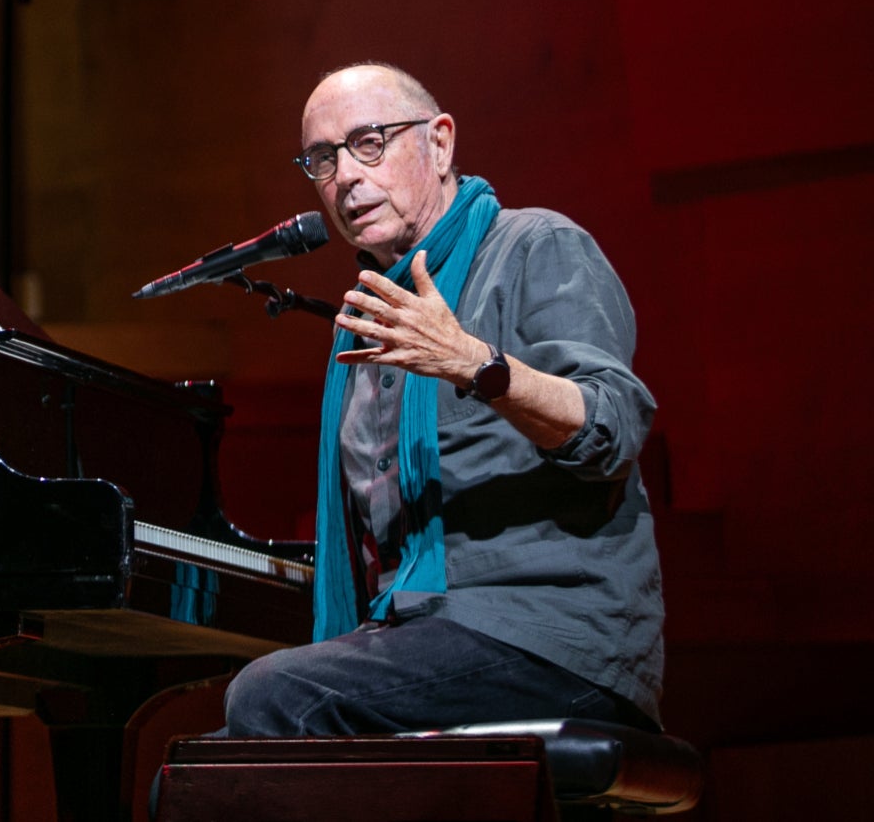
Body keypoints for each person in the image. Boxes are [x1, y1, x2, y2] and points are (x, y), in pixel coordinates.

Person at [221, 62, 665, 735]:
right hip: (418, 631)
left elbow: (615, 426)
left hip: (551, 639)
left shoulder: (536, 246)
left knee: (274, 696)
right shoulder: (372, 315)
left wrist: (473, 362)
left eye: (369, 141)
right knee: (195, 769)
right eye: (322, 158)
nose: (344, 176)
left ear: (440, 142)